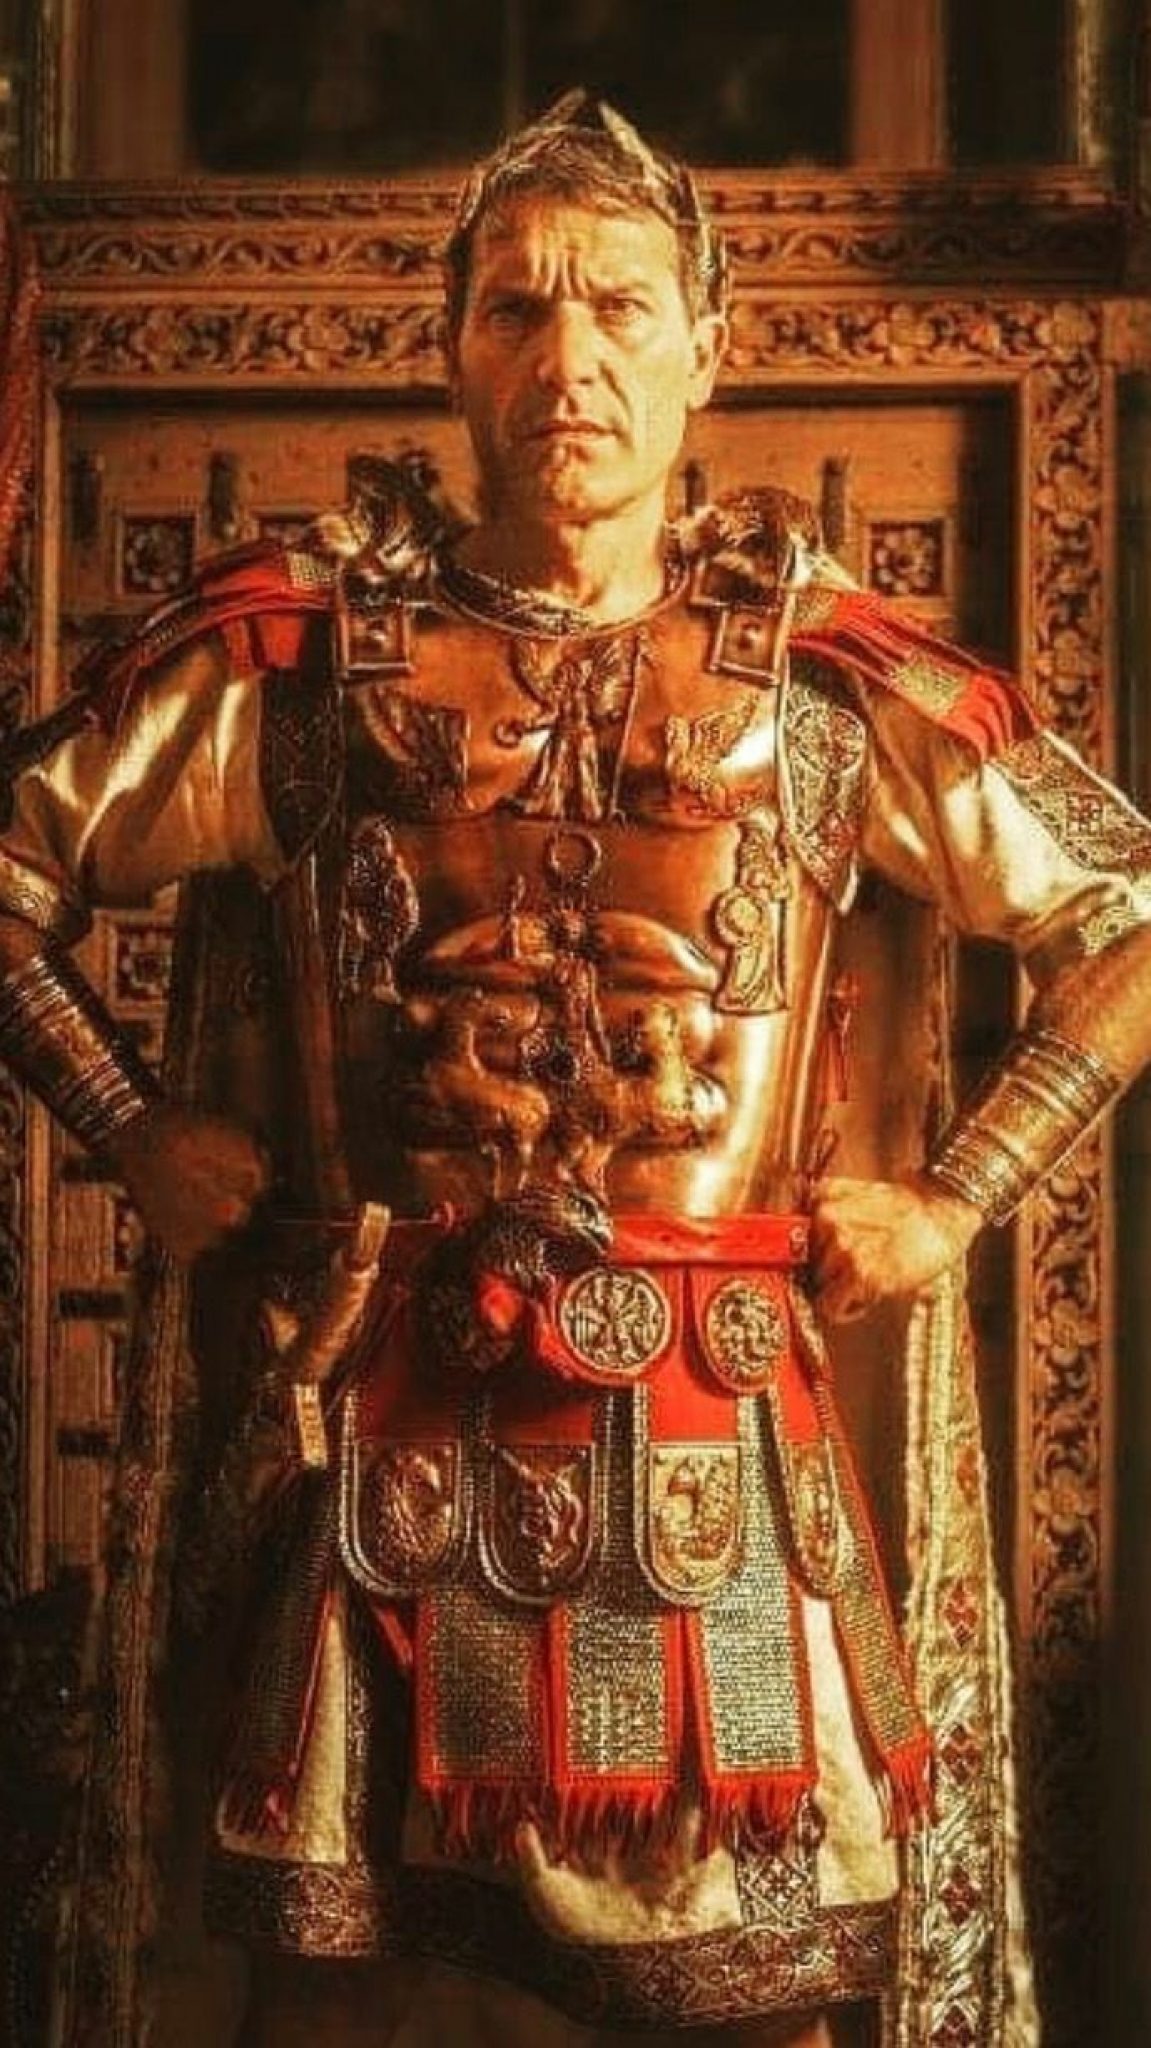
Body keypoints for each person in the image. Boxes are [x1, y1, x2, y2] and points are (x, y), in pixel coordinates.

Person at [3, 91, 1151, 2048]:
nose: (571, 359)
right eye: (519, 308)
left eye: (620, 307)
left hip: (722, 1463)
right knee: (342, 2001)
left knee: (758, 2005)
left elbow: (1122, 912)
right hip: (380, 1438)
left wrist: (957, 1194)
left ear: (709, 346)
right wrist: (128, 1121)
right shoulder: (297, 657)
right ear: (451, 347)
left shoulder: (828, 676)